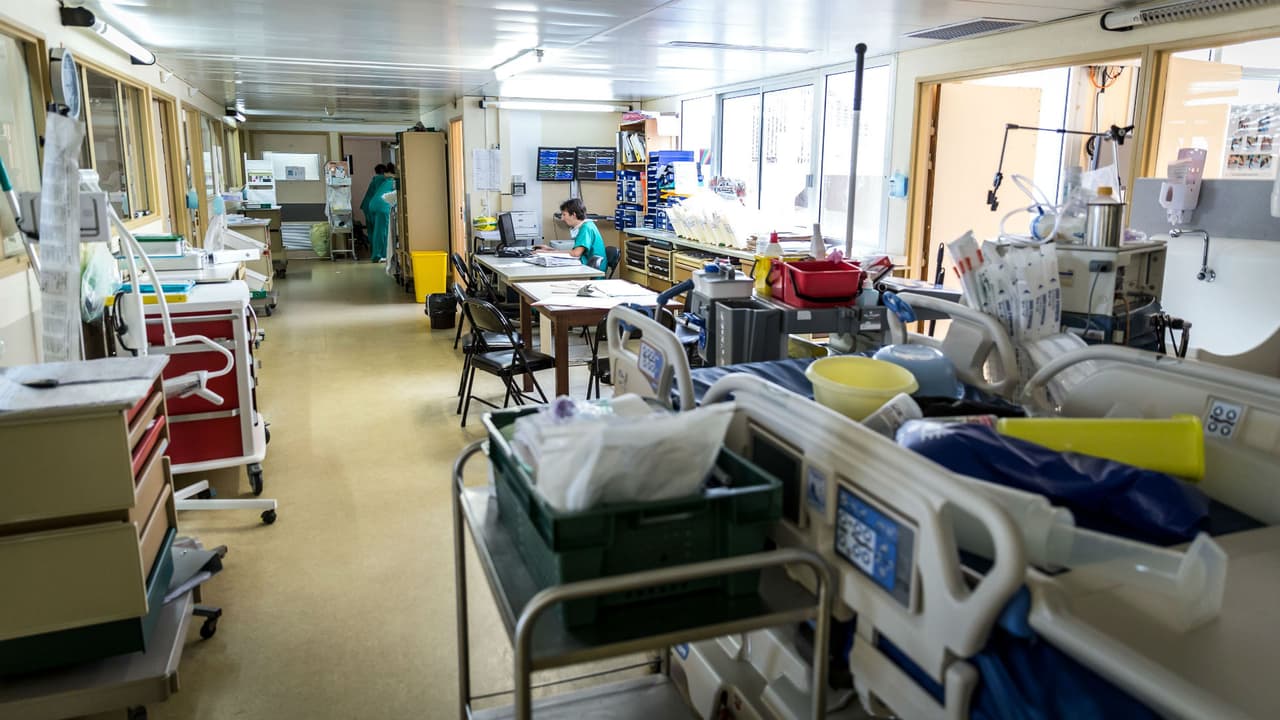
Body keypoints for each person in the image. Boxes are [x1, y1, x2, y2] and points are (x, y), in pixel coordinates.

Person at [536, 198, 605, 268]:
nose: (562, 218)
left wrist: (546, 253)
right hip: (587, 265)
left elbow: (575, 253)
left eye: (564, 215)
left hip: (593, 270)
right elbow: (574, 252)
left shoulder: (586, 228)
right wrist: (550, 250)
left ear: (573, 215)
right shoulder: (587, 225)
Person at [365, 164, 396, 263]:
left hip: (373, 204)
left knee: (378, 231)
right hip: (382, 205)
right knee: (382, 231)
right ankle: (378, 256)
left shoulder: (387, 181)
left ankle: (379, 254)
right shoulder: (394, 181)